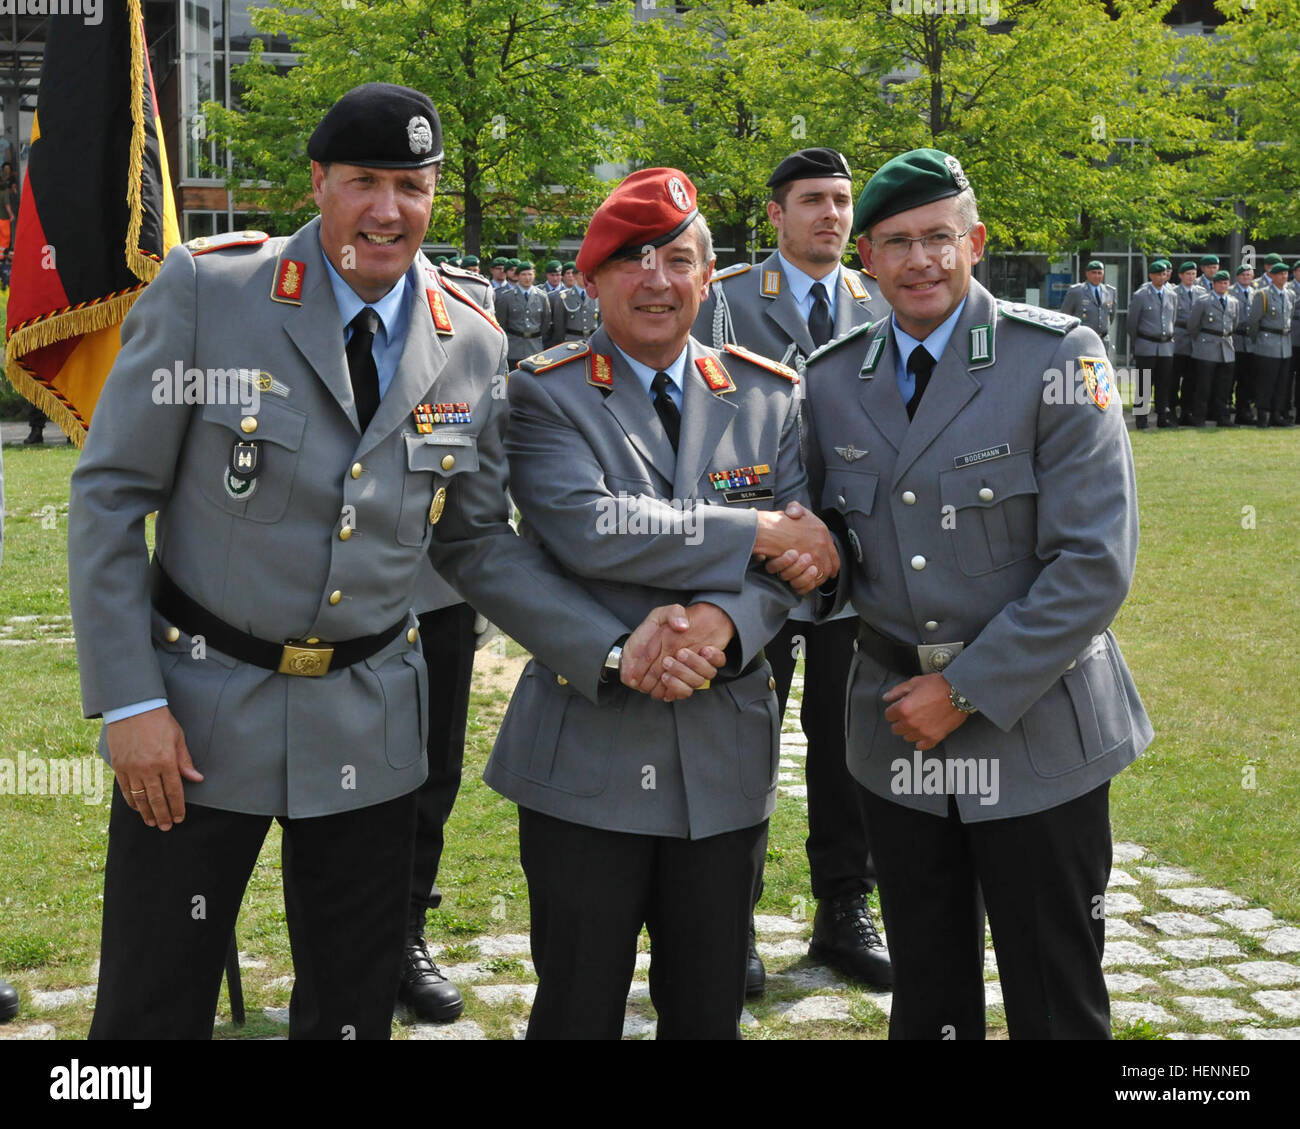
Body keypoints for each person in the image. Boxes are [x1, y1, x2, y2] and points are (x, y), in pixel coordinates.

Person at [67, 84, 698, 1041]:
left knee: (353, 1007)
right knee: (152, 1004)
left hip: (369, 723)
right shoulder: (210, 290)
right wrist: (129, 700)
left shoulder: (471, 342)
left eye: (411, 185)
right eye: (364, 181)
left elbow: (478, 543)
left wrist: (610, 648)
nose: (387, 210)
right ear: (318, 184)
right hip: (195, 720)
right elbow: (111, 496)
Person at [797, 148, 1152, 1039]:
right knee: (928, 990)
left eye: (938, 238)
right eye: (897, 243)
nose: (920, 261)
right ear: (865, 258)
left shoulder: (1061, 356)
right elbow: (820, 546)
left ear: (976, 242)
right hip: (896, 732)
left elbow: (1093, 564)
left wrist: (962, 691)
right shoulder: (833, 380)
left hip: (1034, 726)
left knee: (1055, 990)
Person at [484, 167, 839, 1039]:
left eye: (678, 260)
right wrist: (754, 533)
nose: (656, 280)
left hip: (722, 753)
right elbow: (594, 528)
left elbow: (792, 575)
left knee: (710, 1006)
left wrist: (720, 628)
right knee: (576, 1006)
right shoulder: (544, 391)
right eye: (631, 261)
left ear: (707, 278)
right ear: (593, 278)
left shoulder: (767, 394)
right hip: (586, 754)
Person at [692, 147, 890, 994]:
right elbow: (697, 414)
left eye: (843, 202)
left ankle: (846, 908)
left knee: (849, 747)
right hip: (755, 561)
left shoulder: (881, 299)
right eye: (813, 201)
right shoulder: (727, 299)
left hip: (855, 565)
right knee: (741, 740)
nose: (832, 216)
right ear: (776, 214)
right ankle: (728, 922)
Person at [1184, 269, 1240, 427]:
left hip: (1226, 347)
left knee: (1224, 387)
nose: (1223, 286)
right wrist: (1201, 342)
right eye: (1220, 283)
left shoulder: (1233, 302)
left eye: (1226, 283)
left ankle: (1222, 417)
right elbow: (1193, 326)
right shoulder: (1203, 301)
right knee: (1203, 386)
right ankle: (1199, 417)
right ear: (1214, 284)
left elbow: (1234, 324)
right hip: (1207, 347)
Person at [1128, 259, 1176, 429]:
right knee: (1145, 384)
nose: (1161, 277)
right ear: (1151, 276)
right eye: (1157, 274)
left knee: (1164, 383)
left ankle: (1163, 417)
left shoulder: (1171, 294)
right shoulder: (1141, 295)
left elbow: (1172, 318)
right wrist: (1137, 342)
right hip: (1146, 344)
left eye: (1164, 274)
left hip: (1165, 346)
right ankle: (1141, 419)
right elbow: (1132, 323)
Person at [1248, 261, 1296, 427]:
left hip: (1285, 343)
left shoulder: (1290, 294)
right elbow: (1254, 322)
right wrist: (1257, 342)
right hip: (1267, 343)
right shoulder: (1263, 294)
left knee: (1282, 383)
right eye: (1280, 274)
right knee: (1266, 382)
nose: (1284, 277)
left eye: (1285, 274)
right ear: (1272, 276)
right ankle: (1263, 415)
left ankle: (1276, 414)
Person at [498, 259, 551, 368]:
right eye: (523, 274)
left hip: (535, 346)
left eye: (530, 274)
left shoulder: (542, 296)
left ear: (534, 275)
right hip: (514, 346)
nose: (527, 278)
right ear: (517, 276)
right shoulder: (506, 297)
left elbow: (546, 322)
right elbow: (501, 323)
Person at [1058, 260, 1116, 354]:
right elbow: (1065, 316)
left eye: (1099, 273)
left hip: (1102, 341)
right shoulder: (1076, 291)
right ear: (1087, 274)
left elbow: (1111, 316)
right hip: (1082, 340)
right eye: (1093, 273)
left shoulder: (1110, 291)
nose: (1097, 276)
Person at [1171, 260, 1201, 425]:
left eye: (1193, 274)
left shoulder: (1202, 293)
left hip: (1195, 342)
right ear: (1181, 275)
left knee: (1191, 380)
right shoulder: (1173, 292)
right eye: (1188, 274)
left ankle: (1186, 412)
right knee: (1174, 379)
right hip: (1179, 339)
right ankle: (1172, 411)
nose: (1191, 277)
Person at [545, 261, 599, 347]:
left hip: (593, 342)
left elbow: (601, 323)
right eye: (581, 275)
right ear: (574, 276)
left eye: (587, 275)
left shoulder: (597, 295)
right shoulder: (564, 297)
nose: (585, 278)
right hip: (571, 342)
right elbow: (559, 326)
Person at [1232, 264, 1257, 425]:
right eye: (1243, 275)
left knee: (1248, 381)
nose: (1246, 277)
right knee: (1229, 380)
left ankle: (1244, 412)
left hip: (1251, 343)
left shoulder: (1257, 293)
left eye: (1249, 275)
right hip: (1235, 342)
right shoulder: (1230, 292)